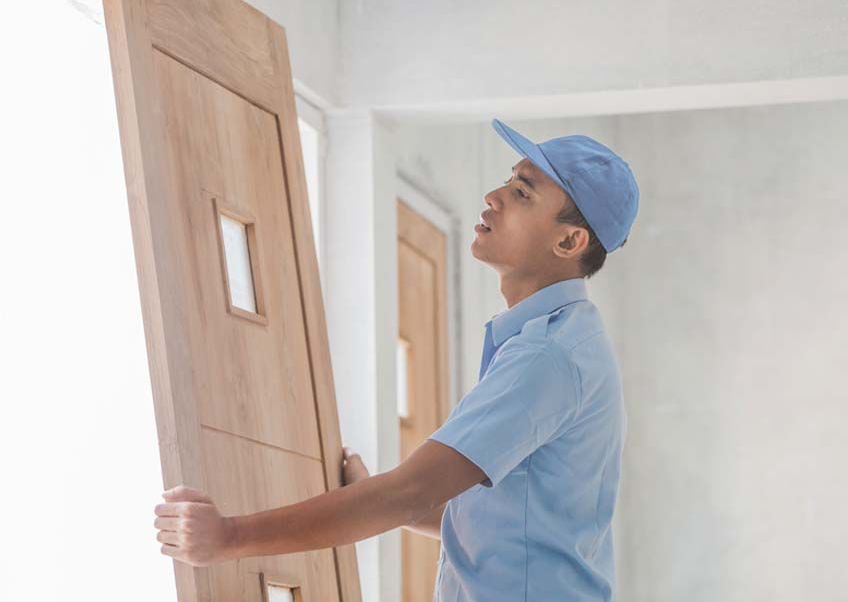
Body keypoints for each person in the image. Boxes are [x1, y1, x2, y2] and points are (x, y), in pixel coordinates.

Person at [153, 118, 640, 602]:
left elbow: (411, 492)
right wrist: (383, 496)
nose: (495, 196)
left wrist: (227, 538)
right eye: (510, 179)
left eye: (523, 193)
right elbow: (493, 523)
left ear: (569, 241)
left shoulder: (547, 357)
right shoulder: (560, 342)